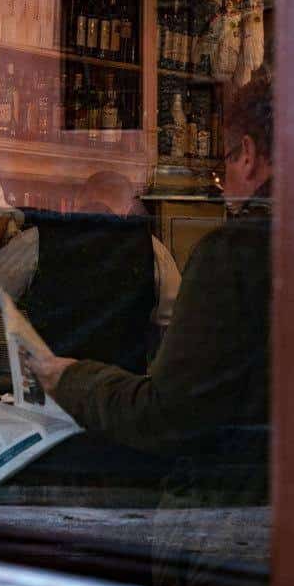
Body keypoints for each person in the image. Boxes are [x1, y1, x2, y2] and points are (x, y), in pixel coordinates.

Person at [24, 78, 273, 492]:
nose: (224, 184)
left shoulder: (232, 254)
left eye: (224, 162)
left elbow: (169, 416)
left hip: (226, 506)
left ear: (246, 155)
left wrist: (70, 379)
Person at [0, 171, 181, 373]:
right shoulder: (152, 251)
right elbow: (178, 325)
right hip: (122, 399)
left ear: (77, 202)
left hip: (57, 396)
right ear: (127, 209)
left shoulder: (39, 241)